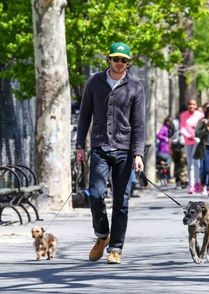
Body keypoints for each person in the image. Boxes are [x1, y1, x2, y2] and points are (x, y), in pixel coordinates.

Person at [76, 42, 145, 264]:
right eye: (116, 59)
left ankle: (116, 248)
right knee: (95, 194)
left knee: (121, 201)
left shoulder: (135, 86)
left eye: (124, 60)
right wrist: (79, 146)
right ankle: (102, 235)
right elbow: (84, 115)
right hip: (99, 147)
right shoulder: (95, 82)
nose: (119, 63)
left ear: (129, 63)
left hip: (125, 150)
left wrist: (138, 154)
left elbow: (139, 124)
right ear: (109, 59)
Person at [180, 99, 204, 194]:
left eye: (193, 104)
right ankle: (191, 185)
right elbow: (182, 128)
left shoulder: (200, 115)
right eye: (190, 104)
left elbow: (203, 127)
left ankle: (198, 183)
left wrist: (196, 136)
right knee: (190, 164)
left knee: (196, 163)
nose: (191, 106)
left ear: (196, 105)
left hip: (197, 141)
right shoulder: (183, 115)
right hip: (188, 141)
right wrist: (188, 136)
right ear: (187, 105)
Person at [171, 105, 188, 189]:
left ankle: (183, 180)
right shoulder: (175, 122)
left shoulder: (186, 121)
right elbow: (170, 134)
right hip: (176, 144)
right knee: (178, 163)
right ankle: (178, 181)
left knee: (183, 163)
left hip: (183, 144)